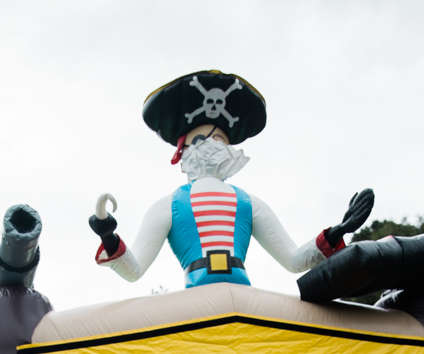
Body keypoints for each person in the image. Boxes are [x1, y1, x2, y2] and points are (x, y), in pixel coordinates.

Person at [89, 69, 373, 290]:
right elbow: (134, 270)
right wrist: (108, 235)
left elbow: (293, 259)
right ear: (182, 150)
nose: (211, 145)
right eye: (200, 139)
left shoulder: (247, 202)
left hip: (243, 298)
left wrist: (338, 231)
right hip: (194, 301)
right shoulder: (170, 205)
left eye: (219, 139)